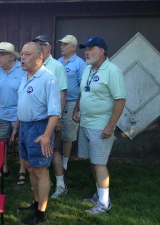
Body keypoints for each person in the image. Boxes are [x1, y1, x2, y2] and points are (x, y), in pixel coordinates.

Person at [73, 37, 126, 214]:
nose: (86, 52)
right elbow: (83, 91)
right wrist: (76, 109)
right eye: (85, 49)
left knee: (100, 163)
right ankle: (99, 194)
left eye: (91, 49)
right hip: (86, 122)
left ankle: (104, 203)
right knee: (93, 162)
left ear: (102, 51)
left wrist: (110, 126)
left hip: (101, 125)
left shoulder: (112, 71)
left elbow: (120, 100)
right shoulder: (88, 69)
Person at [15, 42, 60, 224]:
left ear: (40, 57)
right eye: (22, 54)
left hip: (40, 128)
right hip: (25, 128)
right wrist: (17, 128)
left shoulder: (48, 78)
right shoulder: (25, 76)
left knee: (40, 171)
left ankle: (41, 213)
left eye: (27, 54)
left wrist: (47, 135)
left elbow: (55, 112)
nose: (22, 58)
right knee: (29, 167)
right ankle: (36, 203)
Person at [32, 35, 68, 199]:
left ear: (49, 47)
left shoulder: (56, 66)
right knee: (41, 151)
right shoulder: (35, 65)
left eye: (42, 45)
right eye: (36, 45)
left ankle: (61, 185)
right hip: (37, 117)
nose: (39, 48)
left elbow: (62, 93)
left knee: (54, 151)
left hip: (51, 117)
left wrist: (58, 118)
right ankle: (45, 182)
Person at [0, 42, 26, 184]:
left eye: (2, 54)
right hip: (2, 114)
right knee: (0, 142)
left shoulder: (22, 69)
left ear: (11, 56)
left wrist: (19, 118)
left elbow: (25, 95)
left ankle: (22, 170)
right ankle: (3, 167)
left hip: (20, 114)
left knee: (21, 142)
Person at [58, 35, 87, 171]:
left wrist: (77, 109)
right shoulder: (58, 61)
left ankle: (65, 163)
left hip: (71, 103)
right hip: (57, 102)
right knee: (56, 131)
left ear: (74, 47)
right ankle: (55, 159)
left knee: (68, 134)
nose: (62, 47)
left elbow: (83, 87)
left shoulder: (80, 63)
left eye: (65, 44)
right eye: (61, 44)